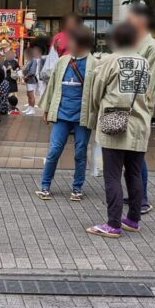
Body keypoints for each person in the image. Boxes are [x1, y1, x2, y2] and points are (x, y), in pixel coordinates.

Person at [84, 22, 152, 238]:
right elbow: (148, 95)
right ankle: (133, 219)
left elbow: (96, 93)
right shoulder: (144, 62)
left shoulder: (109, 61)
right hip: (140, 123)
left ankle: (113, 224)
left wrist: (94, 115)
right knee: (134, 173)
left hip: (114, 121)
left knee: (112, 175)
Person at [35, 26, 96, 202]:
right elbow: (53, 85)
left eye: (71, 40)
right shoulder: (63, 61)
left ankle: (77, 188)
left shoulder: (94, 64)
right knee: (54, 150)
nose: (68, 43)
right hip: (61, 114)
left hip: (83, 115)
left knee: (80, 152)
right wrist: (47, 109)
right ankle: (45, 185)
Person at [128, 4, 155, 214]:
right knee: (130, 152)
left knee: (136, 154)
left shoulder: (152, 47)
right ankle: (136, 195)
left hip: (140, 108)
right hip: (129, 106)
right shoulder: (136, 44)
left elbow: (148, 83)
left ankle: (142, 199)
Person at [22, 46, 43, 115]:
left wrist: (26, 76)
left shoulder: (33, 60)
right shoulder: (29, 60)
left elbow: (32, 71)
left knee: (31, 95)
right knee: (28, 94)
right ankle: (29, 107)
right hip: (28, 79)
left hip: (31, 79)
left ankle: (32, 109)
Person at [2, 50, 21, 115]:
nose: (10, 55)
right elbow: (2, 69)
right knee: (7, 92)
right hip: (6, 79)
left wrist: (15, 69)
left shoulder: (15, 61)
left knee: (13, 92)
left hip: (13, 79)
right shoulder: (4, 62)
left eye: (11, 54)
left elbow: (18, 68)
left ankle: (14, 105)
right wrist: (7, 69)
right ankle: (8, 105)